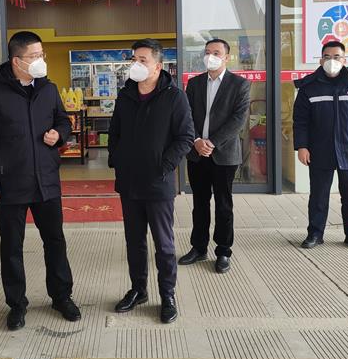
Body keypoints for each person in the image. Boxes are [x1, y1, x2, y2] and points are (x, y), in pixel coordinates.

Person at [0, 31, 80, 331]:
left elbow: (63, 120)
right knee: (12, 247)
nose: (40, 60)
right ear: (17, 61)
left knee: (55, 241)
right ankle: (17, 304)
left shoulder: (48, 89)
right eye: (34, 56)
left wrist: (60, 134)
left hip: (47, 181)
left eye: (41, 54)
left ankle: (61, 296)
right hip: (10, 184)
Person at [108, 39, 194, 324]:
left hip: (158, 183)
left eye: (143, 60)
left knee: (164, 244)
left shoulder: (174, 97)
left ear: (158, 66)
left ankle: (167, 295)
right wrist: (117, 160)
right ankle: (138, 289)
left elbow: (185, 137)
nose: (136, 64)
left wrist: (163, 166)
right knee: (134, 241)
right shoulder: (125, 96)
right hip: (129, 182)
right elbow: (115, 133)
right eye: (134, 59)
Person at [293, 40, 348, 251]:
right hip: (319, 149)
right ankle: (315, 233)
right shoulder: (309, 87)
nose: (332, 61)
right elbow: (300, 120)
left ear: (344, 60)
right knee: (318, 195)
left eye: (337, 57)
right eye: (328, 57)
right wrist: (302, 146)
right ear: (321, 60)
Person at [178, 39, 251, 274]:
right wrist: (197, 141)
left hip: (224, 155)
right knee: (199, 203)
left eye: (216, 53)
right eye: (207, 52)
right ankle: (199, 248)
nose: (211, 56)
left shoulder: (239, 84)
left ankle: (223, 251)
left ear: (227, 57)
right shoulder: (195, 83)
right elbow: (187, 115)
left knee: (223, 205)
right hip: (197, 153)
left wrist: (211, 142)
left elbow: (238, 120)